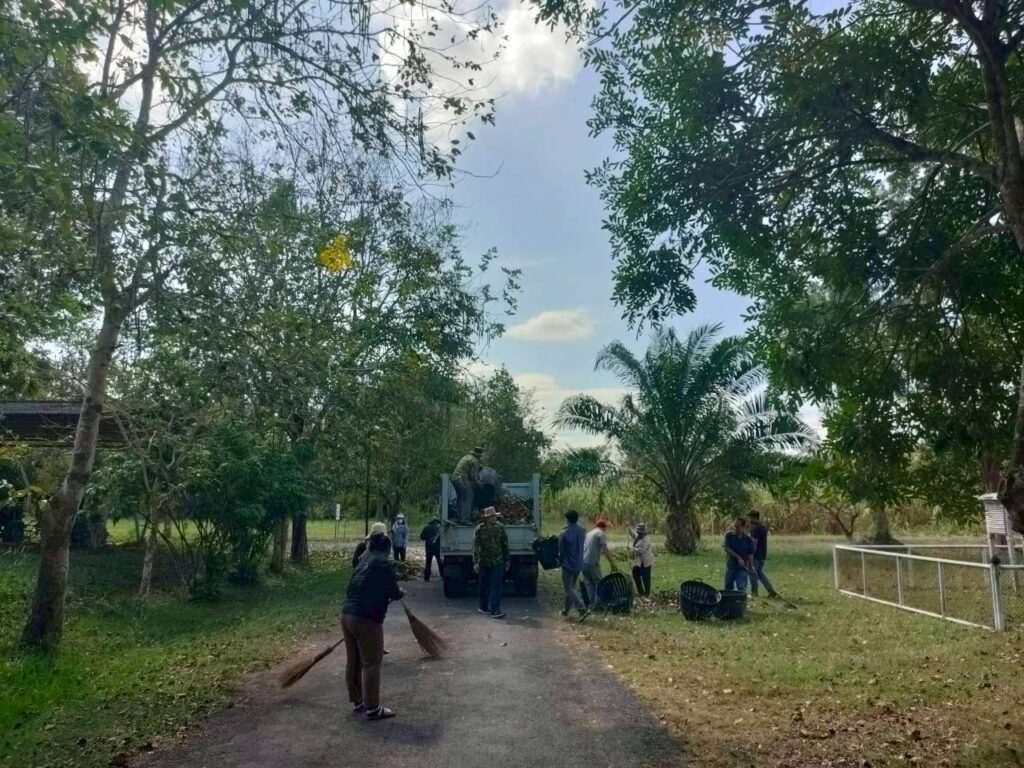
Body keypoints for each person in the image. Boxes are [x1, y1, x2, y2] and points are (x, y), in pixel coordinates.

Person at [341, 533, 404, 720]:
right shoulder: (383, 563)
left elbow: (353, 589)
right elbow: (393, 591)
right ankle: (373, 708)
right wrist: (399, 593)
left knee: (354, 661)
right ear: (387, 548)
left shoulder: (362, 562)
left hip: (347, 614)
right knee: (372, 662)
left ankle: (357, 701)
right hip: (367, 618)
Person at [473, 506, 509, 619]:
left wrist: (507, 560)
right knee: (484, 585)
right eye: (492, 516)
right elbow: (475, 546)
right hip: (484, 561)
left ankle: (495, 610)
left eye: (495, 516)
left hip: (498, 561)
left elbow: (505, 544)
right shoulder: (479, 529)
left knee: (496, 585)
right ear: (487, 518)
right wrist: (475, 562)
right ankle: (483, 606)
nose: (494, 518)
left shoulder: (500, 528)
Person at [557, 509, 589, 621]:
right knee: (572, 587)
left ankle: (582, 609)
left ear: (567, 520)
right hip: (578, 563)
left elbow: (561, 551)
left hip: (568, 563)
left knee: (568, 587)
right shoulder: (583, 531)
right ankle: (566, 610)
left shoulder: (564, 533)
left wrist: (559, 561)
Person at [581, 518, 615, 608]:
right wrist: (612, 563)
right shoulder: (601, 533)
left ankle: (592, 604)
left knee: (589, 583)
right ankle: (599, 604)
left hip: (583, 562)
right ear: (604, 527)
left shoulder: (589, 533)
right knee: (598, 583)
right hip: (592, 562)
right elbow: (605, 550)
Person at [747, 510, 779, 598]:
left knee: (752, 573)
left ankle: (754, 592)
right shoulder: (763, 528)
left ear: (754, 517)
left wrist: (750, 555)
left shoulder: (755, 529)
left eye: (750, 518)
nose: (749, 520)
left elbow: (754, 543)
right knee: (759, 573)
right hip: (762, 555)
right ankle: (771, 590)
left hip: (755, 556)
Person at [723, 517, 755, 592]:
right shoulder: (729, 535)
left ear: (743, 527)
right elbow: (726, 548)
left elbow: (750, 554)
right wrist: (738, 557)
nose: (735, 529)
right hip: (731, 566)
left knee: (741, 588)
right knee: (728, 588)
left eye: (738, 527)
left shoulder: (748, 540)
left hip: (742, 568)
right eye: (735, 526)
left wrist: (752, 567)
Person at [452, 447, 483, 523]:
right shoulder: (475, 461)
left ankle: (459, 517)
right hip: (462, 479)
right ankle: (465, 519)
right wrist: (479, 483)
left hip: (455, 478)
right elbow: (473, 476)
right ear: (479, 455)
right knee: (468, 496)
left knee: (461, 497)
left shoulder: (466, 457)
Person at [629, 522, 655, 597]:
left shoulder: (646, 539)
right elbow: (633, 535)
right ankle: (640, 592)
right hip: (638, 561)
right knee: (635, 574)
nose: (638, 533)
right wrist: (629, 528)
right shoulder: (638, 536)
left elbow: (641, 551)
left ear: (643, 532)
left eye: (639, 532)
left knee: (645, 577)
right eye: (637, 532)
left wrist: (632, 549)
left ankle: (647, 593)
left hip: (645, 561)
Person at [420, 517, 444, 581]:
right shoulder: (440, 528)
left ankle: (426, 578)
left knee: (428, 563)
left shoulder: (426, 528)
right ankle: (443, 576)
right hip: (437, 548)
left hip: (429, 548)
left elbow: (422, 537)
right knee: (440, 563)